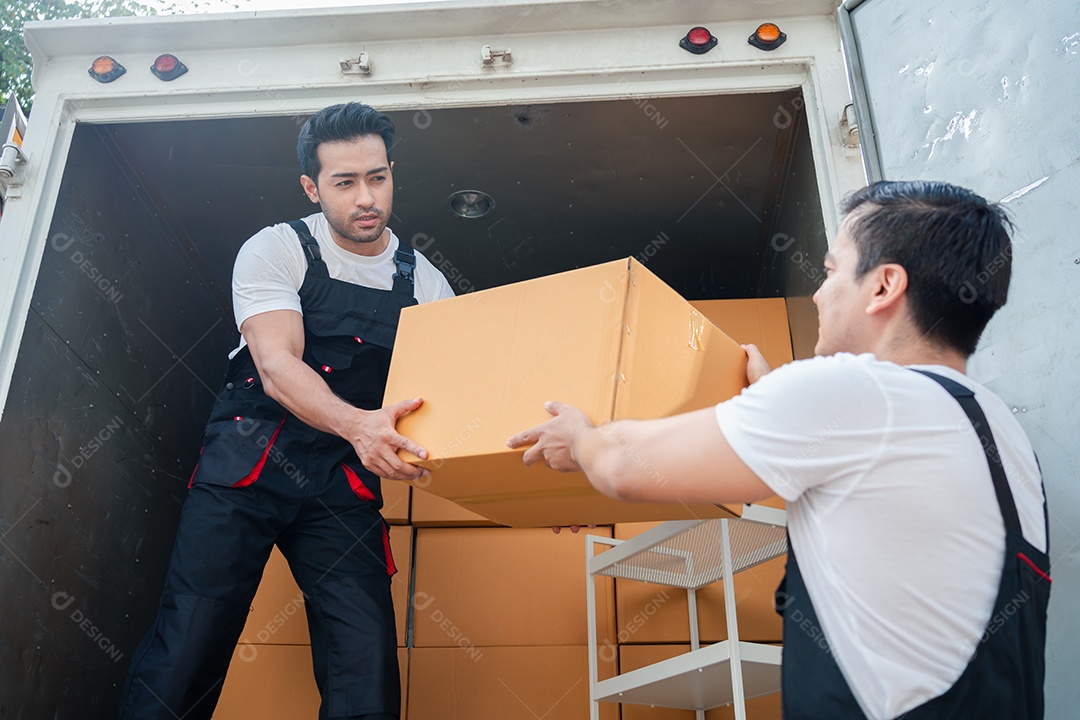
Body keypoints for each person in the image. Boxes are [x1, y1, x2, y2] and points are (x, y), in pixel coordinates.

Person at [509, 181, 1050, 720]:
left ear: (884, 286)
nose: (819, 292)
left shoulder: (852, 393)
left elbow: (625, 469)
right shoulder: (999, 431)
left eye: (832, 271)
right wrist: (778, 402)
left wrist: (582, 438)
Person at [118, 102, 453, 720]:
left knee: (366, 666)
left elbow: (461, 397)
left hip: (341, 484)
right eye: (344, 182)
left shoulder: (425, 283)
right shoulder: (276, 249)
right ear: (312, 186)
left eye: (377, 178)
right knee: (190, 642)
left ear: (392, 173)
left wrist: (528, 487)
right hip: (249, 461)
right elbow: (276, 366)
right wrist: (358, 424)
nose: (365, 198)